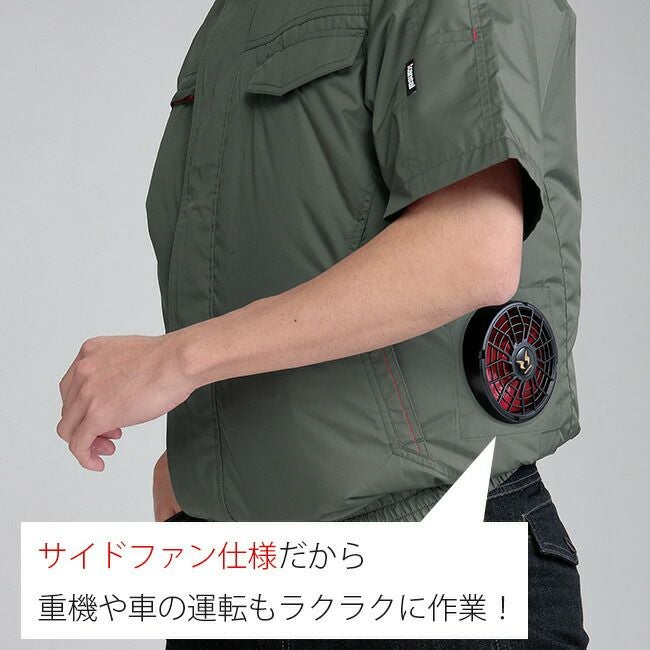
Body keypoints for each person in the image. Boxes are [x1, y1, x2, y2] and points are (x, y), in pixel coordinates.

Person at [57, 1, 587, 647]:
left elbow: (471, 246)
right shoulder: (231, 20)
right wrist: (198, 473)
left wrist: (177, 361)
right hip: (239, 581)